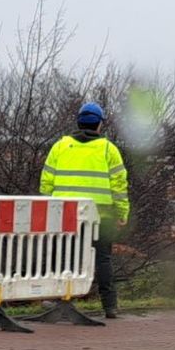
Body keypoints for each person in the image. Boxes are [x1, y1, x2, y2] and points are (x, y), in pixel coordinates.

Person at [40, 102, 129, 318]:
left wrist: (46, 207)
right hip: (102, 216)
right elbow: (119, 185)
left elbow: (46, 183)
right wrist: (122, 213)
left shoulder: (60, 147)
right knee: (103, 260)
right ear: (99, 124)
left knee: (63, 257)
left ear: (79, 122)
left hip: (65, 214)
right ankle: (110, 306)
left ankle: (59, 300)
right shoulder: (109, 149)